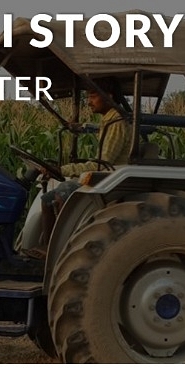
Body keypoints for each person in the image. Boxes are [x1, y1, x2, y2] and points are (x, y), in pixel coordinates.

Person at [23, 77, 133, 259]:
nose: (88, 102)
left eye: (93, 96)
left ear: (108, 96)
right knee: (47, 198)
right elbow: (99, 131)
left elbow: (102, 163)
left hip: (109, 176)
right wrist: (81, 127)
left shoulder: (116, 122)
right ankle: (47, 246)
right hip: (107, 172)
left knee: (63, 193)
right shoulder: (109, 119)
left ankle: (62, 249)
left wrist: (62, 170)